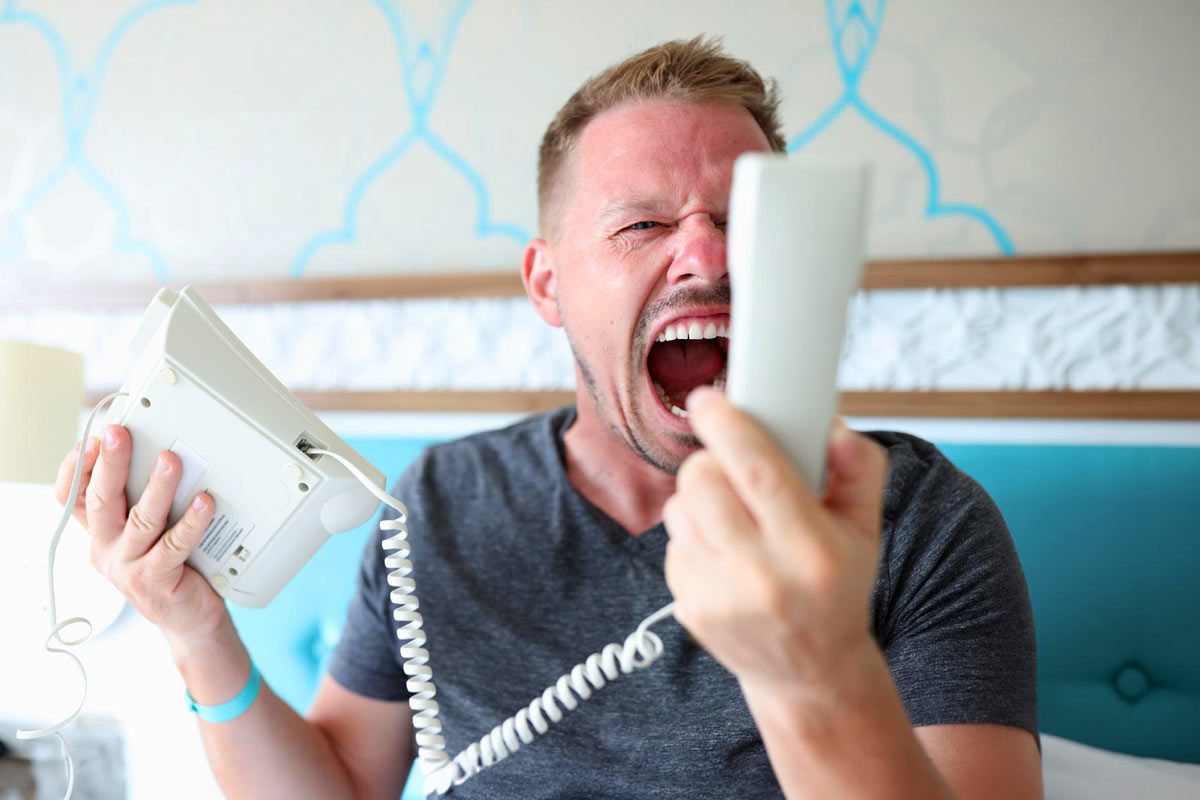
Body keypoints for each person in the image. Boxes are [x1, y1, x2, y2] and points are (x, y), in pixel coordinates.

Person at [55, 36, 1042, 799]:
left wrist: (812, 663)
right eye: (643, 224)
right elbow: (342, 783)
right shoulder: (442, 502)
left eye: (744, 219)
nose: (706, 255)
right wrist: (194, 629)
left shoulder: (920, 519)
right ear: (549, 284)